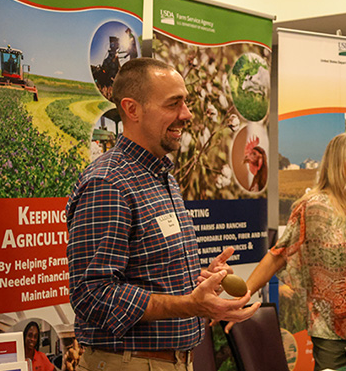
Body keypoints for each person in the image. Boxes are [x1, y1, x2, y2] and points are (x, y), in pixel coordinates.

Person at [66, 58, 259, 371]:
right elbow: (92, 294)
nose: (186, 114)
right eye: (174, 104)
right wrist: (189, 304)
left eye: (185, 102)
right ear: (132, 109)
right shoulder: (108, 183)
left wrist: (198, 282)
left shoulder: (161, 176)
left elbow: (148, 275)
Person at [235, 132, 346, 370]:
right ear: (336, 162)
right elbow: (279, 254)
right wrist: (242, 297)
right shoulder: (314, 207)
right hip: (333, 332)